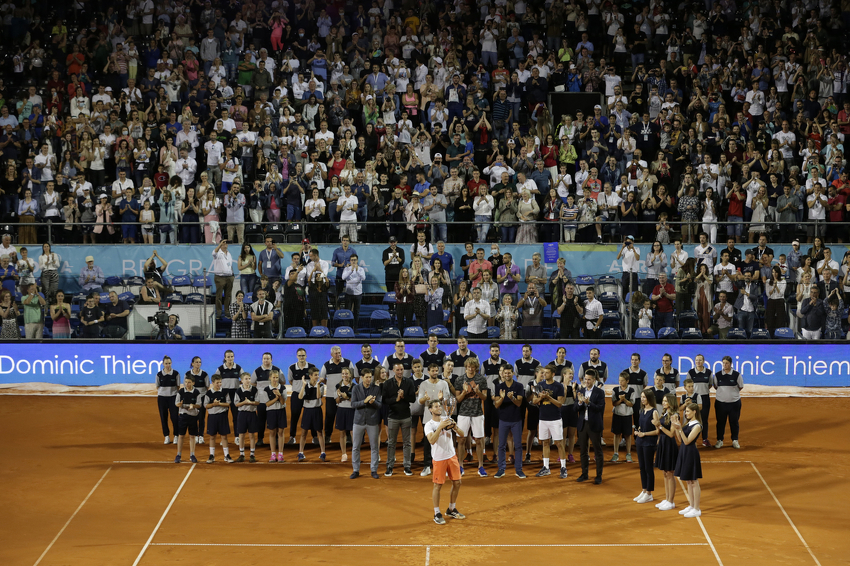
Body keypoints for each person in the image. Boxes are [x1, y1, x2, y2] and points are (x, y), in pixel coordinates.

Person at [424, 399, 465, 525]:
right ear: (430, 410)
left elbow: (462, 434)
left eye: (439, 406)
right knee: (438, 486)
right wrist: (440, 427)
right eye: (436, 407)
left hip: (452, 456)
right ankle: (437, 513)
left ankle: (451, 509)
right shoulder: (429, 425)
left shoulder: (447, 419)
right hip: (439, 458)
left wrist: (455, 427)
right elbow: (431, 440)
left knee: (457, 482)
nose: (439, 408)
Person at [455, 358, 489, 477]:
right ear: (466, 367)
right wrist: (464, 392)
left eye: (472, 366)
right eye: (468, 366)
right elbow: (458, 400)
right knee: (461, 440)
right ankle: (460, 466)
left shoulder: (481, 379)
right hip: (463, 413)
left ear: (476, 367)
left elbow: (484, 398)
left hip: (477, 414)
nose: (470, 369)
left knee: (479, 440)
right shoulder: (460, 379)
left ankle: (480, 467)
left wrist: (477, 392)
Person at [533, 365, 568, 479]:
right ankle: (546, 467)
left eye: (547, 373)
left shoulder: (559, 386)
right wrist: (541, 398)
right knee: (545, 443)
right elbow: (534, 401)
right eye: (543, 373)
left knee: (559, 443)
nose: (544, 375)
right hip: (543, 419)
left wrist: (548, 398)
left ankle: (563, 467)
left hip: (555, 419)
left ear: (553, 374)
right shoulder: (540, 385)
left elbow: (559, 404)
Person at [382, 361, 416, 476]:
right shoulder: (387, 384)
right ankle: (390, 466)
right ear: (393, 370)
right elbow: (384, 400)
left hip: (406, 416)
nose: (400, 372)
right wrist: (396, 399)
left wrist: (403, 396)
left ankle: (407, 466)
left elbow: (412, 399)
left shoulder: (409, 382)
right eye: (398, 370)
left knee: (407, 443)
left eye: (401, 370)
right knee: (391, 443)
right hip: (393, 417)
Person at [350, 369, 383, 479]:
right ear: (362, 377)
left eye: (370, 377)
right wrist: (364, 401)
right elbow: (353, 404)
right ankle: (356, 470)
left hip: (372, 421)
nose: (369, 379)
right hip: (358, 421)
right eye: (367, 377)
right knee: (356, 447)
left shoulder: (376, 389)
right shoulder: (356, 388)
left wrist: (373, 403)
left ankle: (374, 470)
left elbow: (379, 405)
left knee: (374, 447)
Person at [494, 364, 525, 479]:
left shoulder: (519, 386)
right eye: (505, 373)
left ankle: (519, 469)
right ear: (502, 374)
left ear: (513, 373)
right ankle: (501, 469)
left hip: (516, 419)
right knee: (501, 445)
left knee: (518, 445)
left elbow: (519, 403)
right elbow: (496, 405)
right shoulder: (499, 386)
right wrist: (502, 398)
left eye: (509, 373)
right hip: (503, 420)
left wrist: (512, 398)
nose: (507, 375)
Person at [673, 403, 704, 518]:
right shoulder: (688, 423)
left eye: (688, 411)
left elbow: (687, 441)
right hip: (684, 452)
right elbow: (680, 439)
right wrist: (676, 427)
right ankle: (691, 506)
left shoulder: (697, 426)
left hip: (691, 453)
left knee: (694, 481)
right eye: (685, 411)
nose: (686, 413)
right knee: (688, 481)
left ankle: (697, 508)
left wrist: (680, 429)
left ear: (694, 412)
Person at [575, 368, 605, 484]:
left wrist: (589, 403)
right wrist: (580, 403)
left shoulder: (599, 392)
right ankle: (584, 474)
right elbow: (575, 408)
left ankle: (598, 476)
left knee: (597, 451)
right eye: (585, 379)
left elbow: (600, 409)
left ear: (594, 380)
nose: (586, 381)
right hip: (583, 425)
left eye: (589, 379)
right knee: (583, 451)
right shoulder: (581, 391)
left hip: (594, 425)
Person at [652, 394, 680, 511]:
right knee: (664, 473)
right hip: (662, 444)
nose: (663, 403)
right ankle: (667, 498)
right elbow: (661, 432)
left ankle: (671, 501)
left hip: (669, 445)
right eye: (663, 400)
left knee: (670, 473)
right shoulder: (664, 413)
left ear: (671, 402)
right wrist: (657, 427)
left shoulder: (675, 415)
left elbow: (671, 434)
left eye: (665, 401)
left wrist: (660, 426)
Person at [711, 356, 744, 450]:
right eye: (723, 363)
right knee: (720, 422)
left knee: (734, 422)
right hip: (720, 404)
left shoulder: (737, 375)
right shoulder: (717, 375)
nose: (725, 365)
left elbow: (740, 387)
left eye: (727, 363)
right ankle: (720, 440)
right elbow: (716, 386)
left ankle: (735, 440)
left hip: (734, 403)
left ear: (731, 364)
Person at [633, 387, 659, 504]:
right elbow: (641, 426)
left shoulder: (654, 411)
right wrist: (638, 431)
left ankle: (649, 493)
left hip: (649, 443)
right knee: (642, 467)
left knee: (648, 468)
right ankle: (644, 490)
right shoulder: (641, 411)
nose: (642, 399)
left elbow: (657, 431)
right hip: (640, 442)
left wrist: (644, 434)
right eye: (641, 397)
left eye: (644, 397)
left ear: (649, 398)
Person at [297, 368, 327, 462]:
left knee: (319, 432)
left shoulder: (321, 386)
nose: (317, 376)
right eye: (315, 375)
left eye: (318, 375)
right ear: (310, 376)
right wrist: (303, 386)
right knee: (304, 432)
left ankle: (323, 453)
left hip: (317, 410)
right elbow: (300, 397)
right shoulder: (305, 385)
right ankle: (301, 452)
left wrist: (318, 385)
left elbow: (318, 396)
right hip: (307, 411)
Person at [204, 374, 234, 464]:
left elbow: (228, 403)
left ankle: (226, 455)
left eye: (220, 382)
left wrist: (219, 404)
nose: (219, 384)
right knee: (212, 437)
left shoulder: (225, 392)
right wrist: (213, 404)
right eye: (217, 383)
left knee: (224, 436)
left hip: (222, 416)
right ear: (212, 383)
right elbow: (206, 405)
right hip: (212, 417)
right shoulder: (208, 393)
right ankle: (212, 455)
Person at [174, 375, 201, 464]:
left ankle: (192, 454)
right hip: (183, 416)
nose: (187, 384)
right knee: (181, 436)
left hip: (193, 416)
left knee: (192, 436)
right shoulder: (180, 391)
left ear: (193, 383)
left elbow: (199, 405)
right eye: (185, 382)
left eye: (189, 382)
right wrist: (180, 404)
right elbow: (176, 404)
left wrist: (193, 406)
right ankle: (178, 455)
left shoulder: (196, 392)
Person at [687, 354, 713, 446]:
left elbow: (710, 385)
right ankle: (691, 439)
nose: (698, 362)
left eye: (700, 360)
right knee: (692, 419)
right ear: (695, 361)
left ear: (704, 361)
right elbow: (688, 386)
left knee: (704, 419)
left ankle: (704, 439)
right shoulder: (691, 372)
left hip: (705, 398)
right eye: (697, 360)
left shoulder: (709, 372)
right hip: (694, 399)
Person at [234, 372, 261, 463]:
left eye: (249, 379)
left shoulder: (254, 390)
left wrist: (250, 403)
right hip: (242, 414)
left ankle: (252, 455)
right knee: (241, 435)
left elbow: (257, 402)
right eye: (246, 379)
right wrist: (244, 403)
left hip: (252, 414)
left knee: (251, 435)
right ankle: (242, 454)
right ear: (241, 381)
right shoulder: (238, 391)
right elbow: (236, 404)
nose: (248, 380)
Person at [610, 372, 635, 463]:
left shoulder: (631, 390)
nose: (620, 382)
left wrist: (624, 399)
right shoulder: (615, 390)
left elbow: (631, 404)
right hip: (617, 415)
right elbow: (614, 403)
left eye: (622, 381)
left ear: (627, 381)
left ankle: (628, 454)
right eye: (619, 380)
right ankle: (615, 453)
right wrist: (620, 400)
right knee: (616, 434)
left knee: (628, 435)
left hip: (627, 416)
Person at [156, 356, 180, 445]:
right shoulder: (159, 374)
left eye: (169, 363)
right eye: (166, 363)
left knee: (175, 418)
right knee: (163, 417)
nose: (168, 365)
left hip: (173, 398)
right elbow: (157, 386)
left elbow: (178, 386)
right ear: (163, 364)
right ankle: (166, 436)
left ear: (171, 363)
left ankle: (176, 436)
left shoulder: (176, 374)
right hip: (162, 399)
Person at [335, 368, 356, 463]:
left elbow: (355, 401)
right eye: (343, 373)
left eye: (346, 373)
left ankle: (355, 454)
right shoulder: (338, 386)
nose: (344, 375)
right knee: (342, 433)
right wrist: (339, 396)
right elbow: (337, 401)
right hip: (341, 410)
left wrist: (347, 397)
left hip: (351, 411)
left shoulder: (355, 387)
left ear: (350, 375)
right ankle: (344, 454)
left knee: (353, 433)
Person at [211, 239, 235, 319]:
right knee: (219, 296)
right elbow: (214, 253)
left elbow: (229, 264)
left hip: (229, 276)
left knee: (228, 295)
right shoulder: (218, 253)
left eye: (226, 244)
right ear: (220, 245)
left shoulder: (229, 253)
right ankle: (219, 312)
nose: (225, 245)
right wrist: (220, 243)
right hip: (220, 277)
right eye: (223, 244)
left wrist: (232, 274)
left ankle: (227, 311)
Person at [342, 254, 366, 329]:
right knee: (347, 311)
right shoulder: (346, 269)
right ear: (350, 261)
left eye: (355, 260)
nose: (353, 261)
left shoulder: (361, 269)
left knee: (357, 311)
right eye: (352, 260)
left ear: (357, 260)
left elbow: (363, 278)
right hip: (349, 293)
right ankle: (347, 327)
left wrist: (357, 270)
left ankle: (355, 328)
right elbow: (343, 277)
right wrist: (351, 270)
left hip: (358, 293)